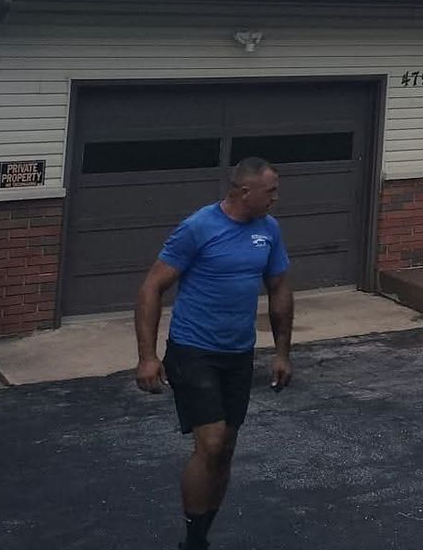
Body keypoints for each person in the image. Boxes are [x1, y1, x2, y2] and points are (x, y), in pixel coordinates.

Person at [135, 157, 294, 550]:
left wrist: (282, 353)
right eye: (270, 191)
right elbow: (151, 288)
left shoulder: (269, 231)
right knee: (210, 442)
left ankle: (201, 535)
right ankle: (192, 542)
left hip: (238, 353)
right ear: (244, 192)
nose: (276, 198)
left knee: (225, 451)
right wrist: (147, 356)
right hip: (193, 350)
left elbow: (279, 290)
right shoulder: (198, 228)